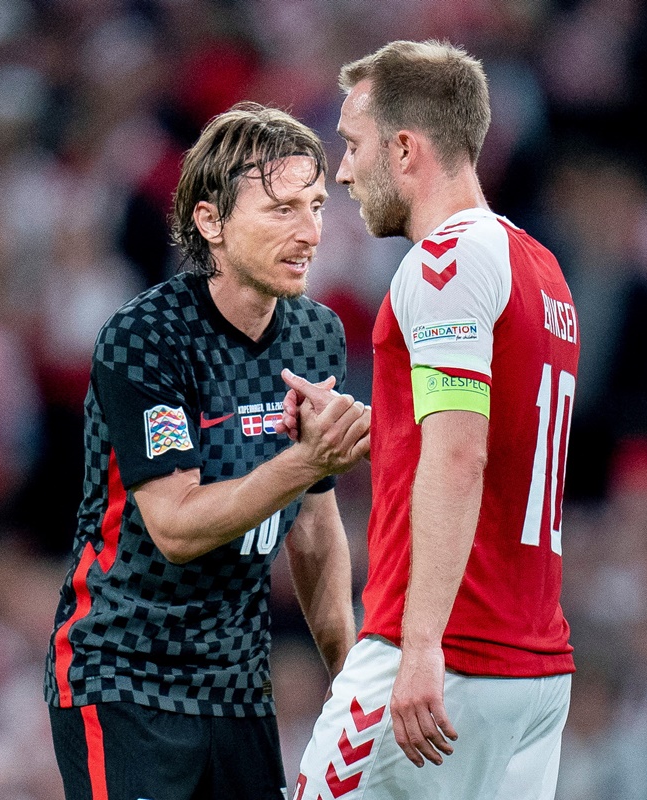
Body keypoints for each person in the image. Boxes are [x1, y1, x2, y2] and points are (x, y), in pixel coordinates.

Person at [45, 102, 370, 800]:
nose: (309, 233)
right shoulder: (146, 339)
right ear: (210, 221)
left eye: (315, 206)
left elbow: (313, 525)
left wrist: (350, 673)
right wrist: (309, 461)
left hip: (237, 686)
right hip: (123, 674)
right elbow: (177, 525)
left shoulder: (317, 336)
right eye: (280, 209)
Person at [288, 40, 580, 800]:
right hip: (534, 671)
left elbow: (459, 458)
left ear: (406, 148)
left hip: (445, 655)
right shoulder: (540, 269)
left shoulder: (444, 263)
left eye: (352, 147)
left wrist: (421, 647)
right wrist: (363, 429)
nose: (343, 172)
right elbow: (489, 437)